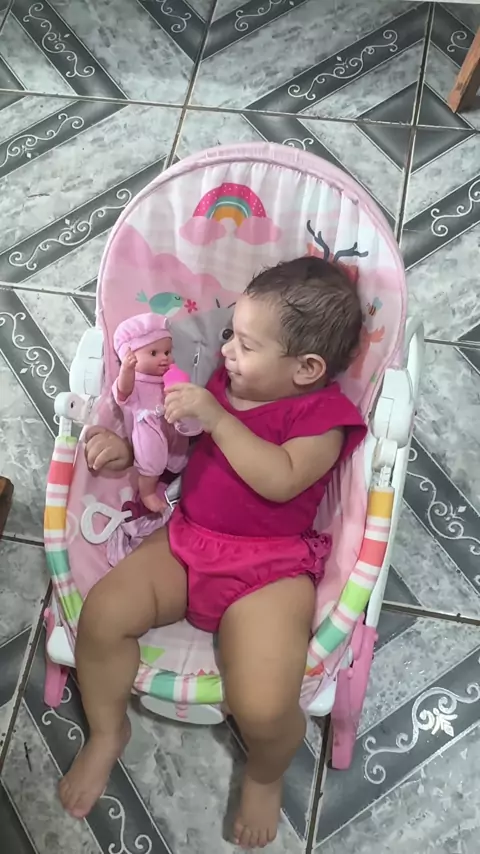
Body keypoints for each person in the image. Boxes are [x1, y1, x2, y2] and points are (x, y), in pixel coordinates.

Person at [59, 256, 367, 849]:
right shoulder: (229, 382)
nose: (226, 352)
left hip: (270, 571)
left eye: (245, 345)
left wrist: (219, 419)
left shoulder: (322, 417)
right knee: (102, 615)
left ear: (306, 368)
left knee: (265, 703)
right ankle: (107, 731)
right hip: (187, 539)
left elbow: (281, 478)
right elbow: (176, 443)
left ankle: (265, 772)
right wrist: (133, 453)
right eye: (230, 335)